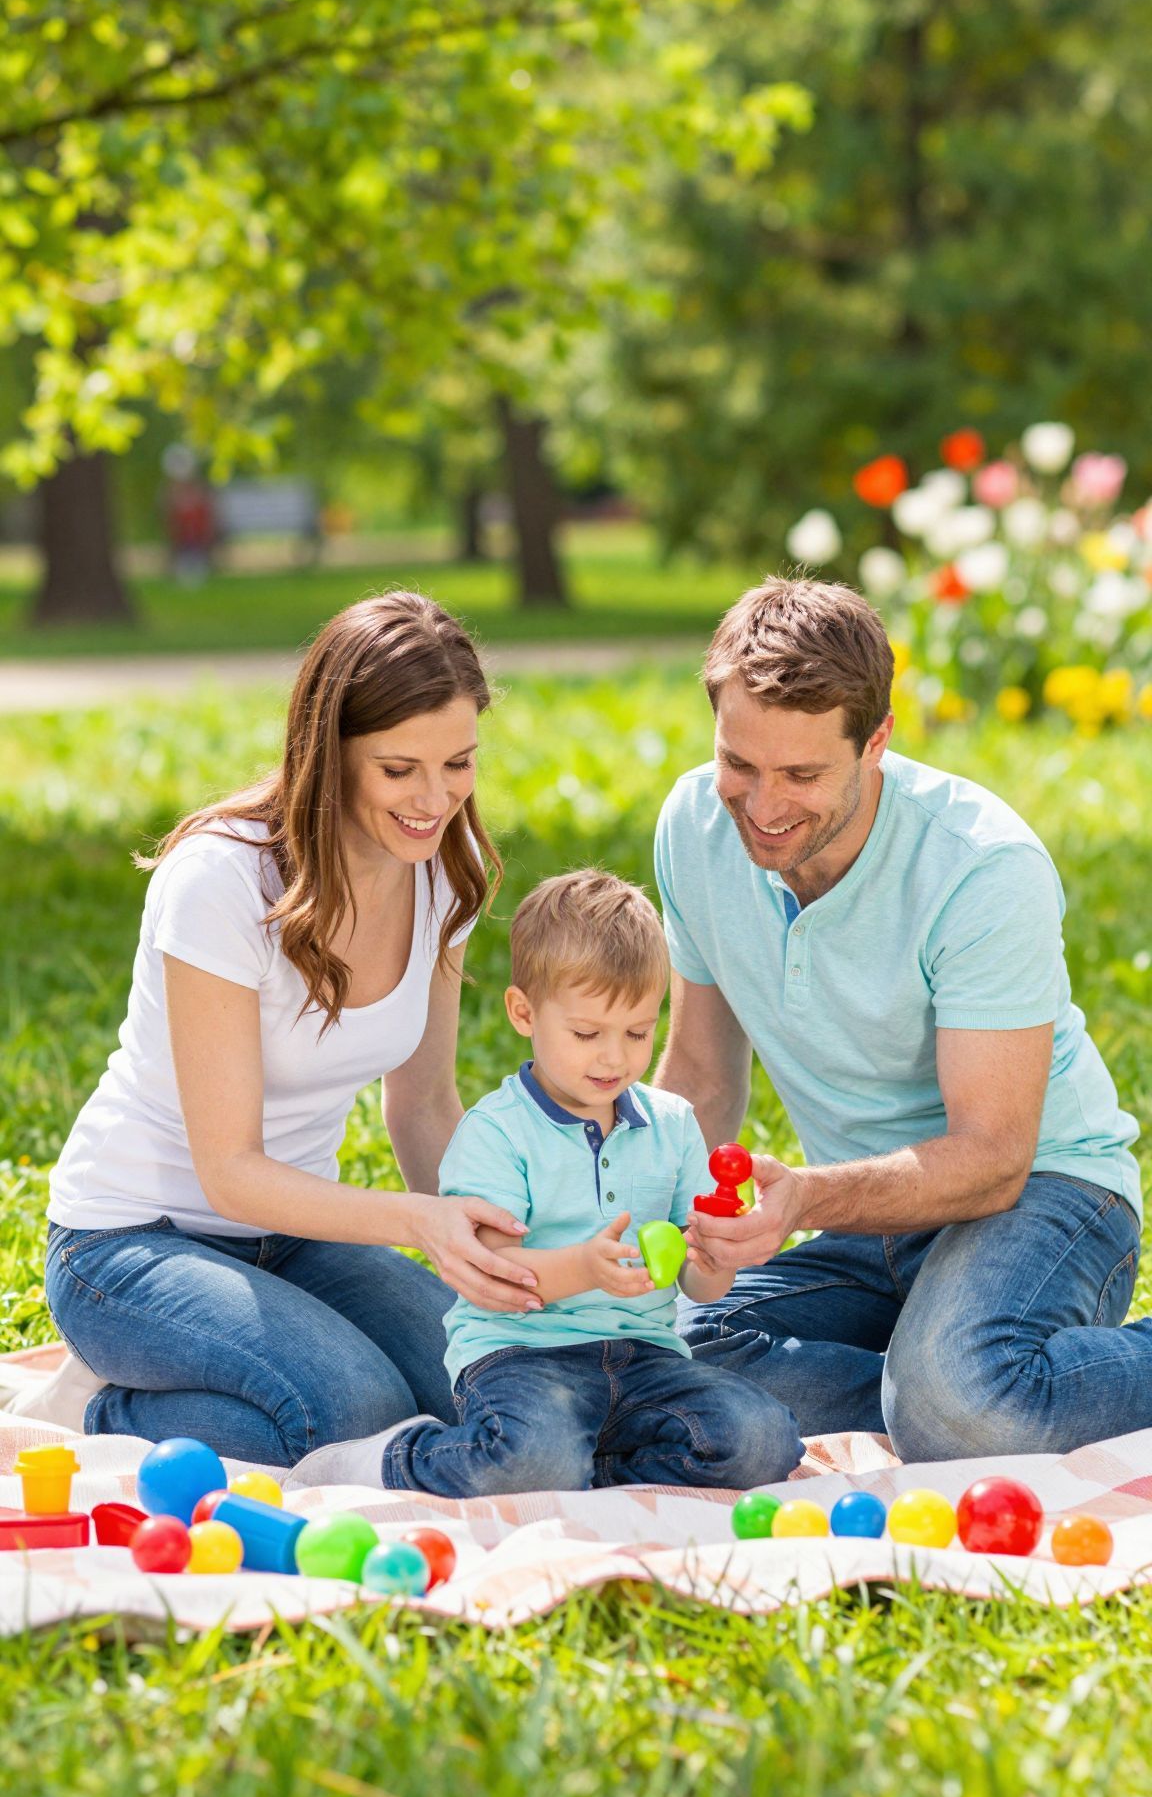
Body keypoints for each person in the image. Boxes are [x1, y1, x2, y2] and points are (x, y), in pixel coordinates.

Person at [34, 594, 543, 1464]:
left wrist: (498, 1244)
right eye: (399, 769)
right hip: (131, 1244)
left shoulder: (440, 876)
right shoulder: (222, 881)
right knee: (353, 1409)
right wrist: (420, 1223)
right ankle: (99, 1410)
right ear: (329, 754)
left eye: (458, 763)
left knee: (495, 1385)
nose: (435, 799)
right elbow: (228, 1171)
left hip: (300, 1237)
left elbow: (423, 1104)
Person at [654, 574, 1148, 1463]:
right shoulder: (694, 826)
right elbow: (700, 1075)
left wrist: (806, 1198)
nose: (762, 808)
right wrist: (620, 1217)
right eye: (740, 765)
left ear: (876, 740)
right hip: (867, 1221)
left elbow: (994, 1158)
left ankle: (953, 1386)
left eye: (802, 775)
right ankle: (947, 1376)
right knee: (662, 1362)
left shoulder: (981, 868)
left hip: (1045, 1193)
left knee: (961, 1407)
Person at [287, 871, 802, 1494]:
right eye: (587, 1034)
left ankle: (578, 1469)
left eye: (638, 1032)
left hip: (647, 1358)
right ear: (524, 1012)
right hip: (523, 1357)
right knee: (532, 1455)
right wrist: (586, 1267)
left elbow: (700, 1284)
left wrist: (717, 1252)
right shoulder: (497, 1132)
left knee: (761, 1439)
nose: (614, 1058)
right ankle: (392, 1460)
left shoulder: (672, 1124)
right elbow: (494, 1272)